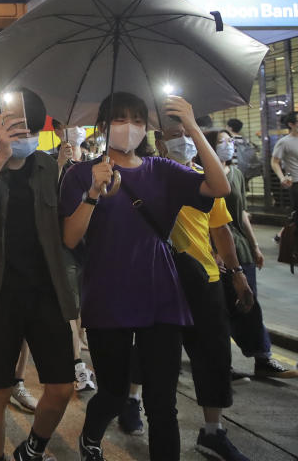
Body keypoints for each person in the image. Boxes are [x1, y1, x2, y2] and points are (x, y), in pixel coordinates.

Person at [60, 92, 230, 461]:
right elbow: (71, 237)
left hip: (161, 295)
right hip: (107, 297)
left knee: (162, 404)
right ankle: (91, 436)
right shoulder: (80, 174)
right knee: (114, 392)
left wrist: (192, 126)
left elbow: (219, 188)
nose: (130, 128)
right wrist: (93, 192)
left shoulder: (162, 170)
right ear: (103, 128)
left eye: (137, 120)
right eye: (120, 120)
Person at [0, 88, 77, 461]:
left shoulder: (49, 167)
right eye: (13, 126)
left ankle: (34, 446)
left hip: (45, 292)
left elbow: (68, 229)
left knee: (61, 387)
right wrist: (0, 155)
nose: (23, 134)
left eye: (29, 128)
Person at [155, 126, 256, 460]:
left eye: (187, 132)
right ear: (159, 142)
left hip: (207, 280)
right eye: (174, 134)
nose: (182, 140)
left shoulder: (206, 180)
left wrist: (237, 273)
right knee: (156, 359)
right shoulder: (148, 177)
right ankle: (131, 400)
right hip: (161, 282)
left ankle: (213, 433)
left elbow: (221, 229)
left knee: (213, 357)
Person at [212, 130, 298, 379]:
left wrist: (255, 246)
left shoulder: (236, 174)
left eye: (230, 141)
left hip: (240, 250)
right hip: (215, 251)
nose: (228, 145)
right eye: (221, 141)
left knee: (249, 303)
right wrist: (213, 250)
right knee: (221, 309)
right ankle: (221, 364)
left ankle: (262, 358)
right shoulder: (200, 176)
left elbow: (242, 214)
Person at [50, 120, 96, 393]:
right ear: (58, 131)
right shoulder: (48, 161)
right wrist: (58, 164)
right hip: (63, 244)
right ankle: (77, 366)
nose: (76, 129)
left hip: (93, 243)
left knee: (86, 304)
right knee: (70, 305)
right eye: (69, 125)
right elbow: (47, 198)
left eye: (80, 124)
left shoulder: (96, 161)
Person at [271, 112, 298, 221]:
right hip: (296, 182)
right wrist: (282, 177)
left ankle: (280, 236)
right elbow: (274, 162)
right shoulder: (284, 142)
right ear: (291, 124)